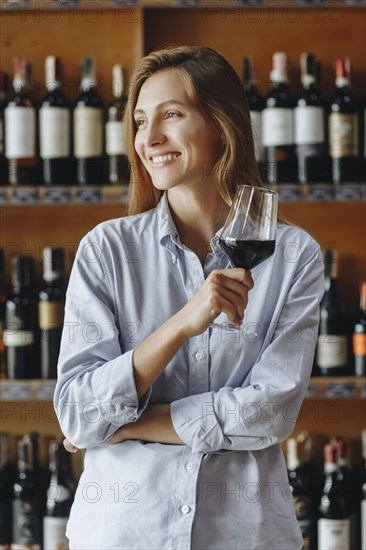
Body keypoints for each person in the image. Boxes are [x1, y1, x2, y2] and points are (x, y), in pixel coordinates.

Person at [54, 45, 324, 550]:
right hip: (124, 534)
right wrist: (182, 323)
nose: (149, 139)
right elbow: (76, 413)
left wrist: (126, 426)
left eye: (171, 115)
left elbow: (267, 414)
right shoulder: (107, 250)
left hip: (245, 535)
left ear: (222, 126)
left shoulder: (294, 256)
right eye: (139, 121)